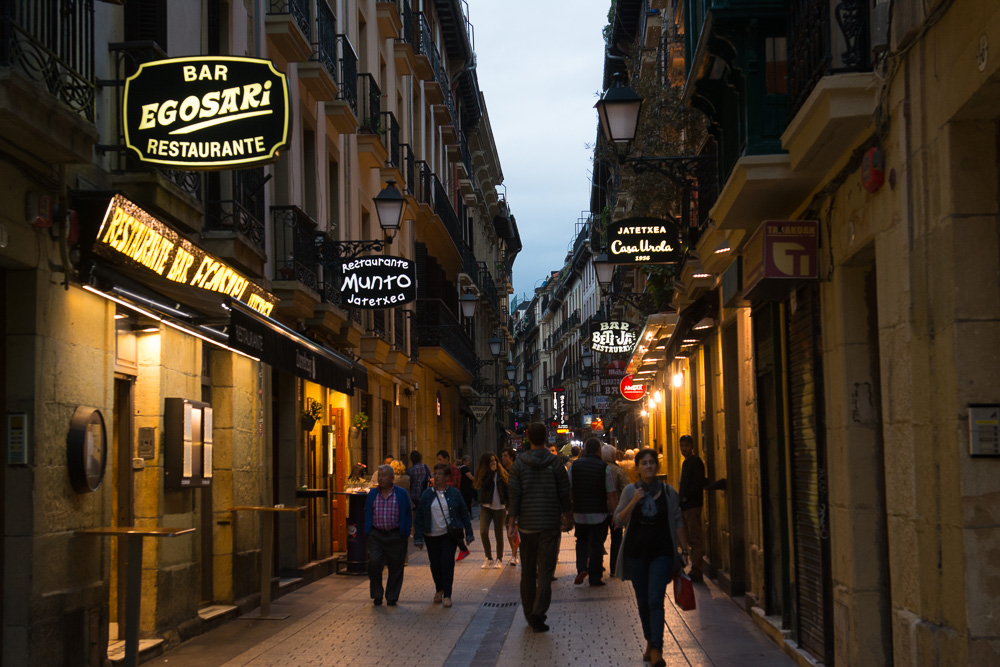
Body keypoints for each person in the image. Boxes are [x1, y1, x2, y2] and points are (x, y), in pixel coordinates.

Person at [613, 449, 683, 667]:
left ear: (657, 467)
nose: (649, 466)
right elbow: (618, 521)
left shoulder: (669, 492)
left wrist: (685, 550)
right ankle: (650, 641)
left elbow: (678, 521)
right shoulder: (629, 492)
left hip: (661, 553)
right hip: (636, 554)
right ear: (638, 468)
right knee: (643, 602)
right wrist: (634, 501)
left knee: (655, 600)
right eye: (644, 463)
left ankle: (657, 649)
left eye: (652, 462)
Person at [507, 422, 573, 633]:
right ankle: (538, 611)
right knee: (545, 571)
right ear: (546, 437)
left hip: (527, 525)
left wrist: (511, 523)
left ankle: (529, 612)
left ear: (527, 437)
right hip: (549, 525)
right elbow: (565, 492)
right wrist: (568, 517)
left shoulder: (518, 466)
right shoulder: (555, 463)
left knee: (527, 572)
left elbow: (514, 496)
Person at [413, 463, 474, 608]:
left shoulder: (454, 493)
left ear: (447, 477)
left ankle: (447, 594)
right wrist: (418, 537)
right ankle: (439, 589)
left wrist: (469, 533)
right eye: (435, 473)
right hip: (431, 535)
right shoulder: (427, 494)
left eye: (440, 474)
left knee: (447, 563)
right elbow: (420, 516)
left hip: (449, 534)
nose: (436, 476)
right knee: (435, 564)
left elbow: (464, 513)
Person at [569, 438, 618, 586]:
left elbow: (568, 490)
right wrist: (615, 513)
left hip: (579, 513)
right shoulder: (605, 468)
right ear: (598, 451)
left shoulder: (574, 466)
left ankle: (582, 568)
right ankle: (595, 577)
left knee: (581, 541)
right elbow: (611, 493)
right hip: (598, 513)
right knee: (597, 544)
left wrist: (568, 510)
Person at [363, 464, 413, 607]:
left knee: (396, 567)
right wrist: (368, 530)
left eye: (384, 475)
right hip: (376, 535)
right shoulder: (373, 494)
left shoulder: (401, 493)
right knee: (374, 563)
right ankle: (377, 594)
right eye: (379, 475)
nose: (381, 478)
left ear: (392, 478)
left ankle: (392, 596)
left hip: (396, 535)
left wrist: (406, 531)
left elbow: (408, 512)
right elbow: (367, 511)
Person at [678, 434, 707, 582]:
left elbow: (697, 483)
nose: (684, 449)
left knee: (695, 538)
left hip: (693, 505)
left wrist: (685, 498)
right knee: (689, 537)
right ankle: (694, 567)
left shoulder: (696, 462)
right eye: (682, 446)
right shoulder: (686, 463)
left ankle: (697, 570)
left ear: (692, 446)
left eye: (686, 446)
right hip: (685, 506)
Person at [473, 452, 508, 568]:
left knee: (499, 534)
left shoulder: (501, 473)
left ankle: (499, 559)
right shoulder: (484, 474)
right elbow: (484, 486)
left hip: (500, 507)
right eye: (491, 461)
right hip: (487, 507)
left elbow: (507, 489)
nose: (494, 463)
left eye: (495, 460)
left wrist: (508, 505)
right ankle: (488, 557)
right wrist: (491, 473)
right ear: (486, 463)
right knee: (483, 531)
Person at [436, 450, 471, 561]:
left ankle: (463, 549)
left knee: (453, 526)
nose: (439, 461)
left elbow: (455, 484)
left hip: (452, 501)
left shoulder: (454, 470)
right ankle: (460, 549)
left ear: (447, 459)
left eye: (440, 459)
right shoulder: (439, 471)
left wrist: (439, 483)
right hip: (441, 500)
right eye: (438, 459)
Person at [603, 443, 629, 577]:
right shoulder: (619, 471)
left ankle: (597, 566)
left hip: (599, 511)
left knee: (598, 540)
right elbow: (626, 489)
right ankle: (615, 568)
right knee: (617, 539)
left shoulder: (598, 469)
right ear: (613, 456)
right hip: (615, 510)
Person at [500, 447, 520, 565]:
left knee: (515, 529)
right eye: (502, 456)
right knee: (508, 530)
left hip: (515, 504)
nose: (503, 458)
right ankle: (514, 552)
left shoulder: (516, 470)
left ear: (511, 458)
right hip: (506, 504)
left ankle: (513, 554)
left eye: (505, 456)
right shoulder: (501, 471)